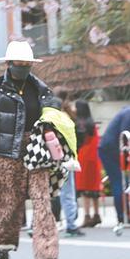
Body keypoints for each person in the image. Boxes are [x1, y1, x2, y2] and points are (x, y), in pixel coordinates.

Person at [0, 40, 58, 259]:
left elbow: (53, 117)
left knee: (43, 202)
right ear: (9, 63)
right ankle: (2, 247)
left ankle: (46, 256)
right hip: (7, 153)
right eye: (19, 63)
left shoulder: (42, 89)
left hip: (37, 151)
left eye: (27, 63)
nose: (22, 67)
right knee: (8, 205)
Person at [40, 97, 82, 238]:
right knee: (68, 194)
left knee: (44, 194)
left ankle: (40, 224)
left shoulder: (42, 120)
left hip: (46, 163)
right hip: (65, 161)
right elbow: (73, 140)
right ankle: (71, 225)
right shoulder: (65, 120)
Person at [99, 105, 130, 227]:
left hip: (112, 148)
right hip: (110, 150)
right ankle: (122, 216)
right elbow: (125, 135)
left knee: (125, 182)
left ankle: (126, 214)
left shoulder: (128, 111)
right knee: (119, 182)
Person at [74, 100, 102, 226]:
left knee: (85, 189)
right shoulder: (93, 124)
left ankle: (87, 216)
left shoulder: (79, 125)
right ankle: (97, 214)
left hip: (83, 158)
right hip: (94, 159)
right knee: (94, 188)